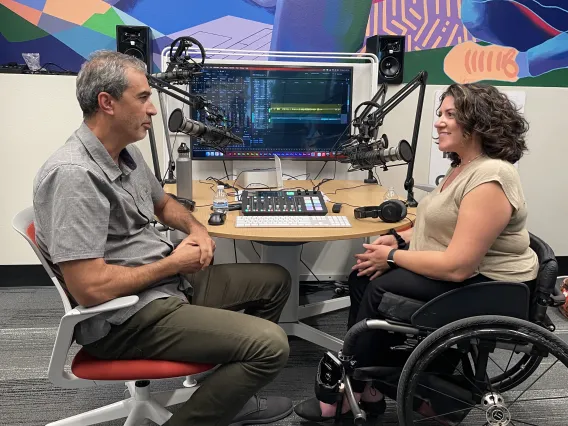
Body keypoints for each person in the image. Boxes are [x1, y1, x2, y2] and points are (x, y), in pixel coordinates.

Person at [33, 50, 294, 426]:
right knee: (270, 345)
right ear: (107, 103)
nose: (152, 109)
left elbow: (163, 203)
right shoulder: (74, 176)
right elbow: (90, 288)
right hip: (126, 318)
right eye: (142, 98)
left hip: (167, 285)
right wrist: (173, 263)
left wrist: (198, 230)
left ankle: (228, 396)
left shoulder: (125, 154)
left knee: (275, 281)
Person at [294, 82, 539, 421]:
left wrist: (392, 257)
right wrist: (398, 239)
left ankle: (359, 384)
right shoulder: (462, 167)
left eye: (450, 115)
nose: (438, 122)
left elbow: (457, 267)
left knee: (381, 287)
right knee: (362, 276)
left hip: (491, 285)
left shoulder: (491, 178)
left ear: (479, 123)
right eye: (440, 113)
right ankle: (368, 384)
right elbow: (439, 224)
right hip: (470, 272)